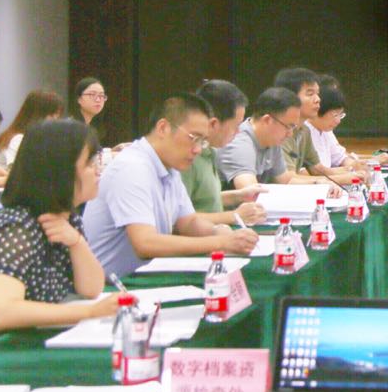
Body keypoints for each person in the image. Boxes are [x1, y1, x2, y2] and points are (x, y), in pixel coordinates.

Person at [0, 119, 121, 360]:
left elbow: (91, 289)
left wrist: (77, 243)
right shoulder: (15, 228)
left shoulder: (66, 218)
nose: (98, 171)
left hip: (23, 345)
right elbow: (4, 313)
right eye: (90, 163)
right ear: (61, 171)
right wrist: (90, 312)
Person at [81, 93, 259, 279]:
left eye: (202, 141)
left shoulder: (169, 167)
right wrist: (220, 242)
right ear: (163, 128)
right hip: (105, 285)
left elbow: (188, 222)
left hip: (139, 277)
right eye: (194, 138)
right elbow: (145, 243)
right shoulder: (132, 167)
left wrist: (216, 231)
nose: (198, 149)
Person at [180, 79, 268, 223]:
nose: (238, 132)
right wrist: (234, 216)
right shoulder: (187, 158)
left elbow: (203, 200)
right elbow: (178, 218)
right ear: (214, 124)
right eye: (236, 125)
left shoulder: (210, 151)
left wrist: (238, 196)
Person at [218, 87, 331, 191]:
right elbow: (250, 192)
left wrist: (319, 183)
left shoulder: (271, 141)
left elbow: (285, 181)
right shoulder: (240, 144)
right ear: (267, 120)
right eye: (288, 126)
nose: (290, 134)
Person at [303, 81, 365, 185]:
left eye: (341, 115)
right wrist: (344, 174)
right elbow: (305, 174)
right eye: (335, 115)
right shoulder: (301, 132)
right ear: (318, 111)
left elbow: (340, 158)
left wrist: (353, 166)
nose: (338, 121)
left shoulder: (326, 131)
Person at [0, 89, 65, 170]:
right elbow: (19, 173)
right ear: (36, 115)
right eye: (52, 115)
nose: (56, 120)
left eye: (58, 116)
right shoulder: (18, 139)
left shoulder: (33, 139)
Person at [274, 66, 329, 178]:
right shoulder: (279, 131)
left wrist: (351, 173)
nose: (318, 99)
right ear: (290, 97)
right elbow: (289, 179)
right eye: (310, 94)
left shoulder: (304, 130)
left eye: (317, 93)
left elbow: (317, 169)